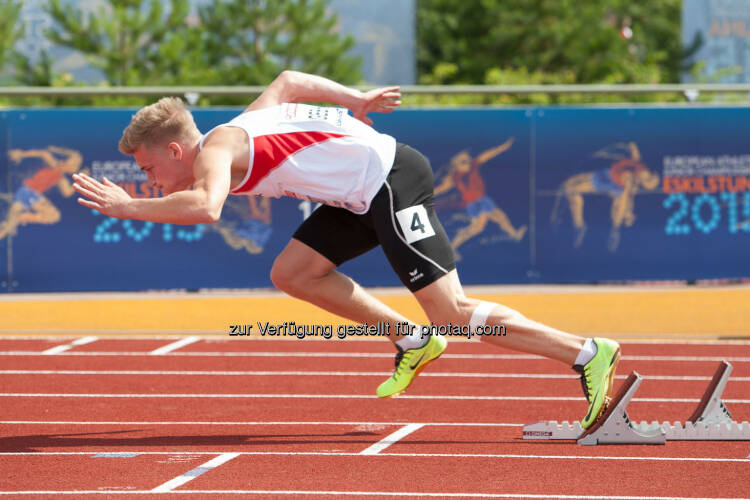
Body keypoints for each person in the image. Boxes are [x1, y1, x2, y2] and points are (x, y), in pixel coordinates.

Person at [73, 70, 620, 429]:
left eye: (147, 170)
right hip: (357, 196)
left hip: (390, 181)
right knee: (293, 272)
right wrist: (355, 99)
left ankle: (587, 352)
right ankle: (412, 340)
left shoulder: (216, 150)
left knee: (452, 310)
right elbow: (287, 82)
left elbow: (206, 206)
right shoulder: (239, 125)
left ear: (174, 149)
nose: (148, 181)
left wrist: (127, 208)